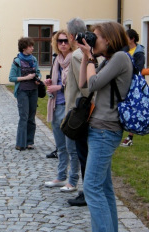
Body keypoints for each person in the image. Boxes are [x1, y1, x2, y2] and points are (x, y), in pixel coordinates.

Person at [78, 21, 132, 232]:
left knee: (91, 188)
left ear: (108, 38)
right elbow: (84, 82)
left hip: (105, 130)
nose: (92, 39)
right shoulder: (110, 59)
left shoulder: (120, 57)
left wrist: (91, 57)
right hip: (99, 129)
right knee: (105, 188)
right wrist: (85, 56)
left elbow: (93, 83)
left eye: (96, 36)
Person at [43, 30, 79, 193]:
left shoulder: (75, 59)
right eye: (60, 41)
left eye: (65, 41)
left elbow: (79, 84)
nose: (63, 44)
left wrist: (60, 87)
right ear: (55, 44)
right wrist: (50, 82)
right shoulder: (57, 60)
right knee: (60, 147)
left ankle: (73, 180)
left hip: (69, 107)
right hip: (55, 105)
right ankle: (60, 176)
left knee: (71, 147)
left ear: (70, 42)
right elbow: (56, 81)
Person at [65, 18, 89, 206]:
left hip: (80, 111)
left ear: (72, 36)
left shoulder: (77, 56)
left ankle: (87, 192)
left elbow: (85, 87)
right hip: (86, 110)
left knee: (83, 154)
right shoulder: (86, 53)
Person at [9, 37, 41, 151]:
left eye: (32, 46)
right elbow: (11, 78)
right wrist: (25, 78)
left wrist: (38, 78)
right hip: (22, 91)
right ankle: (20, 143)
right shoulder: (17, 61)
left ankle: (29, 142)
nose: (32, 48)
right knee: (24, 116)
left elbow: (38, 72)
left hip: (34, 91)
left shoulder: (34, 59)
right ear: (24, 48)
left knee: (31, 117)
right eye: (30, 46)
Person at [120, 28, 145, 147]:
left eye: (126, 37)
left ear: (132, 38)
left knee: (134, 107)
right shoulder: (124, 49)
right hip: (124, 82)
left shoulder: (139, 52)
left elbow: (138, 68)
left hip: (134, 84)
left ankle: (130, 136)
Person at [46, 31, 58, 159]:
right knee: (55, 125)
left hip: (63, 98)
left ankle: (60, 149)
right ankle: (58, 148)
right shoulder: (56, 57)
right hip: (55, 96)